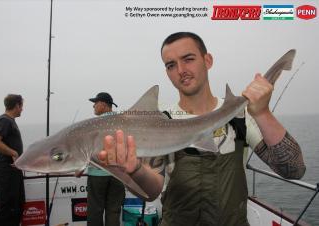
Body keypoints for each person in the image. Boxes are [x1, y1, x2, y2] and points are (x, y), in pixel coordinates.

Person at [97, 32, 306, 226]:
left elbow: (293, 169)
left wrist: (262, 113)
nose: (181, 70)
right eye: (171, 65)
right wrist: (134, 170)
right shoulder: (161, 123)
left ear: (208, 60)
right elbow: (151, 192)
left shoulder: (240, 116)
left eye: (188, 59)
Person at [86, 92, 125, 226]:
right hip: (119, 174)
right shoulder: (123, 121)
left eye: (95, 104)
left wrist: (80, 167)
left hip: (98, 173)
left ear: (103, 104)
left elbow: (90, 148)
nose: (94, 107)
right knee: (114, 211)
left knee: (95, 211)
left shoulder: (94, 124)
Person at [0, 94, 25, 226]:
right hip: (6, 170)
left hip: (13, 171)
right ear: (16, 105)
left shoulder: (10, 121)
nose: (22, 109)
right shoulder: (4, 120)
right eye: (21, 106)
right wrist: (13, 153)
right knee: (8, 208)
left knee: (17, 206)